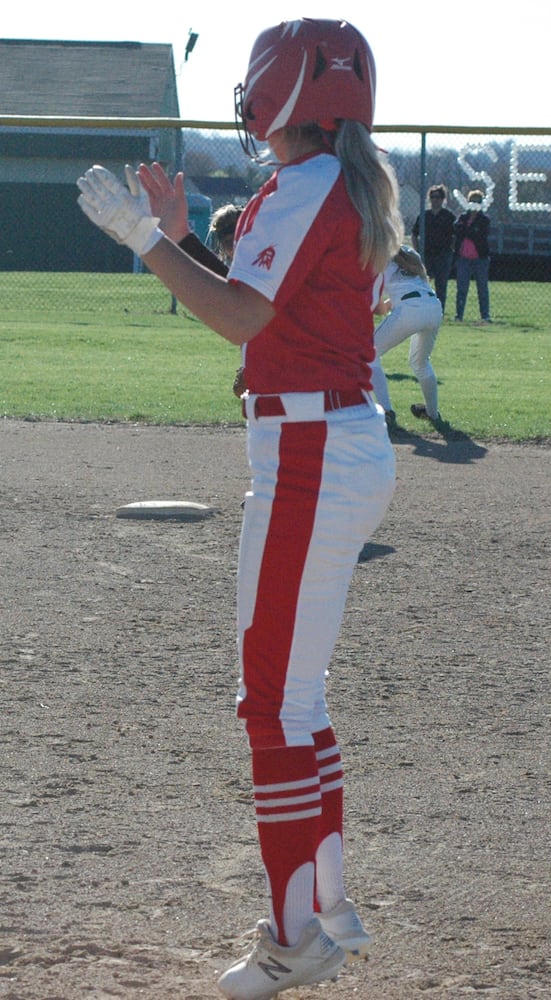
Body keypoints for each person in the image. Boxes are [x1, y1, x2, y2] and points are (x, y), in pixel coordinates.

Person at [77, 18, 403, 1000]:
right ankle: (325, 912)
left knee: (272, 703)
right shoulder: (334, 185)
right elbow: (267, 308)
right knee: (295, 699)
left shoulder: (306, 188)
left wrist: (142, 242)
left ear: (274, 97)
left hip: (310, 446)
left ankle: (296, 936)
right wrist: (177, 236)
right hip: (328, 438)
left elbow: (238, 319)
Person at [369, 245, 444, 427]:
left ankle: (386, 411)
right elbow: (411, 287)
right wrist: (391, 303)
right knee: (420, 363)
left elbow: (378, 308)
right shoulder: (410, 253)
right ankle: (433, 414)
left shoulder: (380, 259)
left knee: (369, 353)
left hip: (409, 309)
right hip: (433, 305)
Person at [410, 184, 455, 313]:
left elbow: (455, 235)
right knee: (423, 284)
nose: (435, 200)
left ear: (443, 199)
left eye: (438, 197)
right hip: (426, 255)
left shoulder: (448, 216)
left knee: (441, 284)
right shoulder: (424, 215)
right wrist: (417, 251)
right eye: (433, 197)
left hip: (443, 255)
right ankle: (423, 309)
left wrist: (450, 249)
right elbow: (414, 233)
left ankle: (439, 310)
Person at [453, 190, 491, 324]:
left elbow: (479, 234)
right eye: (472, 201)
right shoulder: (463, 218)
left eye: (478, 202)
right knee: (462, 288)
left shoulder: (484, 220)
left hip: (479, 258)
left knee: (482, 288)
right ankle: (459, 315)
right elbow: (457, 231)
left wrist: (467, 231)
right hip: (463, 258)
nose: (475, 205)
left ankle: (485, 315)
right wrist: (470, 231)